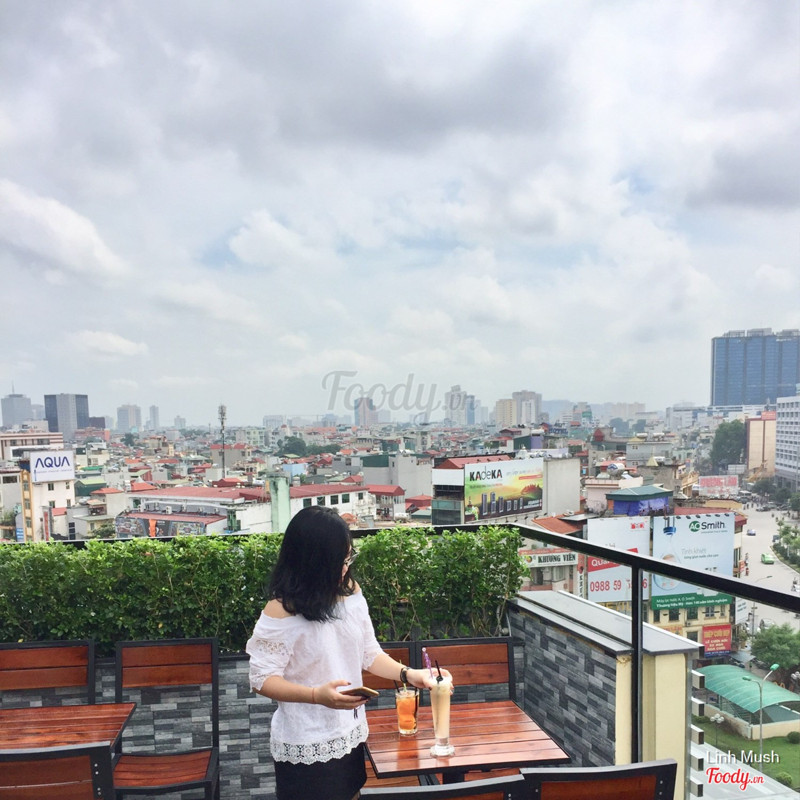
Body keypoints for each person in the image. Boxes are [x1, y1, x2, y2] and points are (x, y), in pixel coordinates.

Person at [246, 505, 451, 800]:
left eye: (348, 558)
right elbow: (262, 679)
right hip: (305, 743)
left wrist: (410, 674)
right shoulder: (280, 611)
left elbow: (369, 652)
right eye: (338, 562)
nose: (344, 569)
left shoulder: (349, 592)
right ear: (311, 562)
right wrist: (316, 695)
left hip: (350, 734)